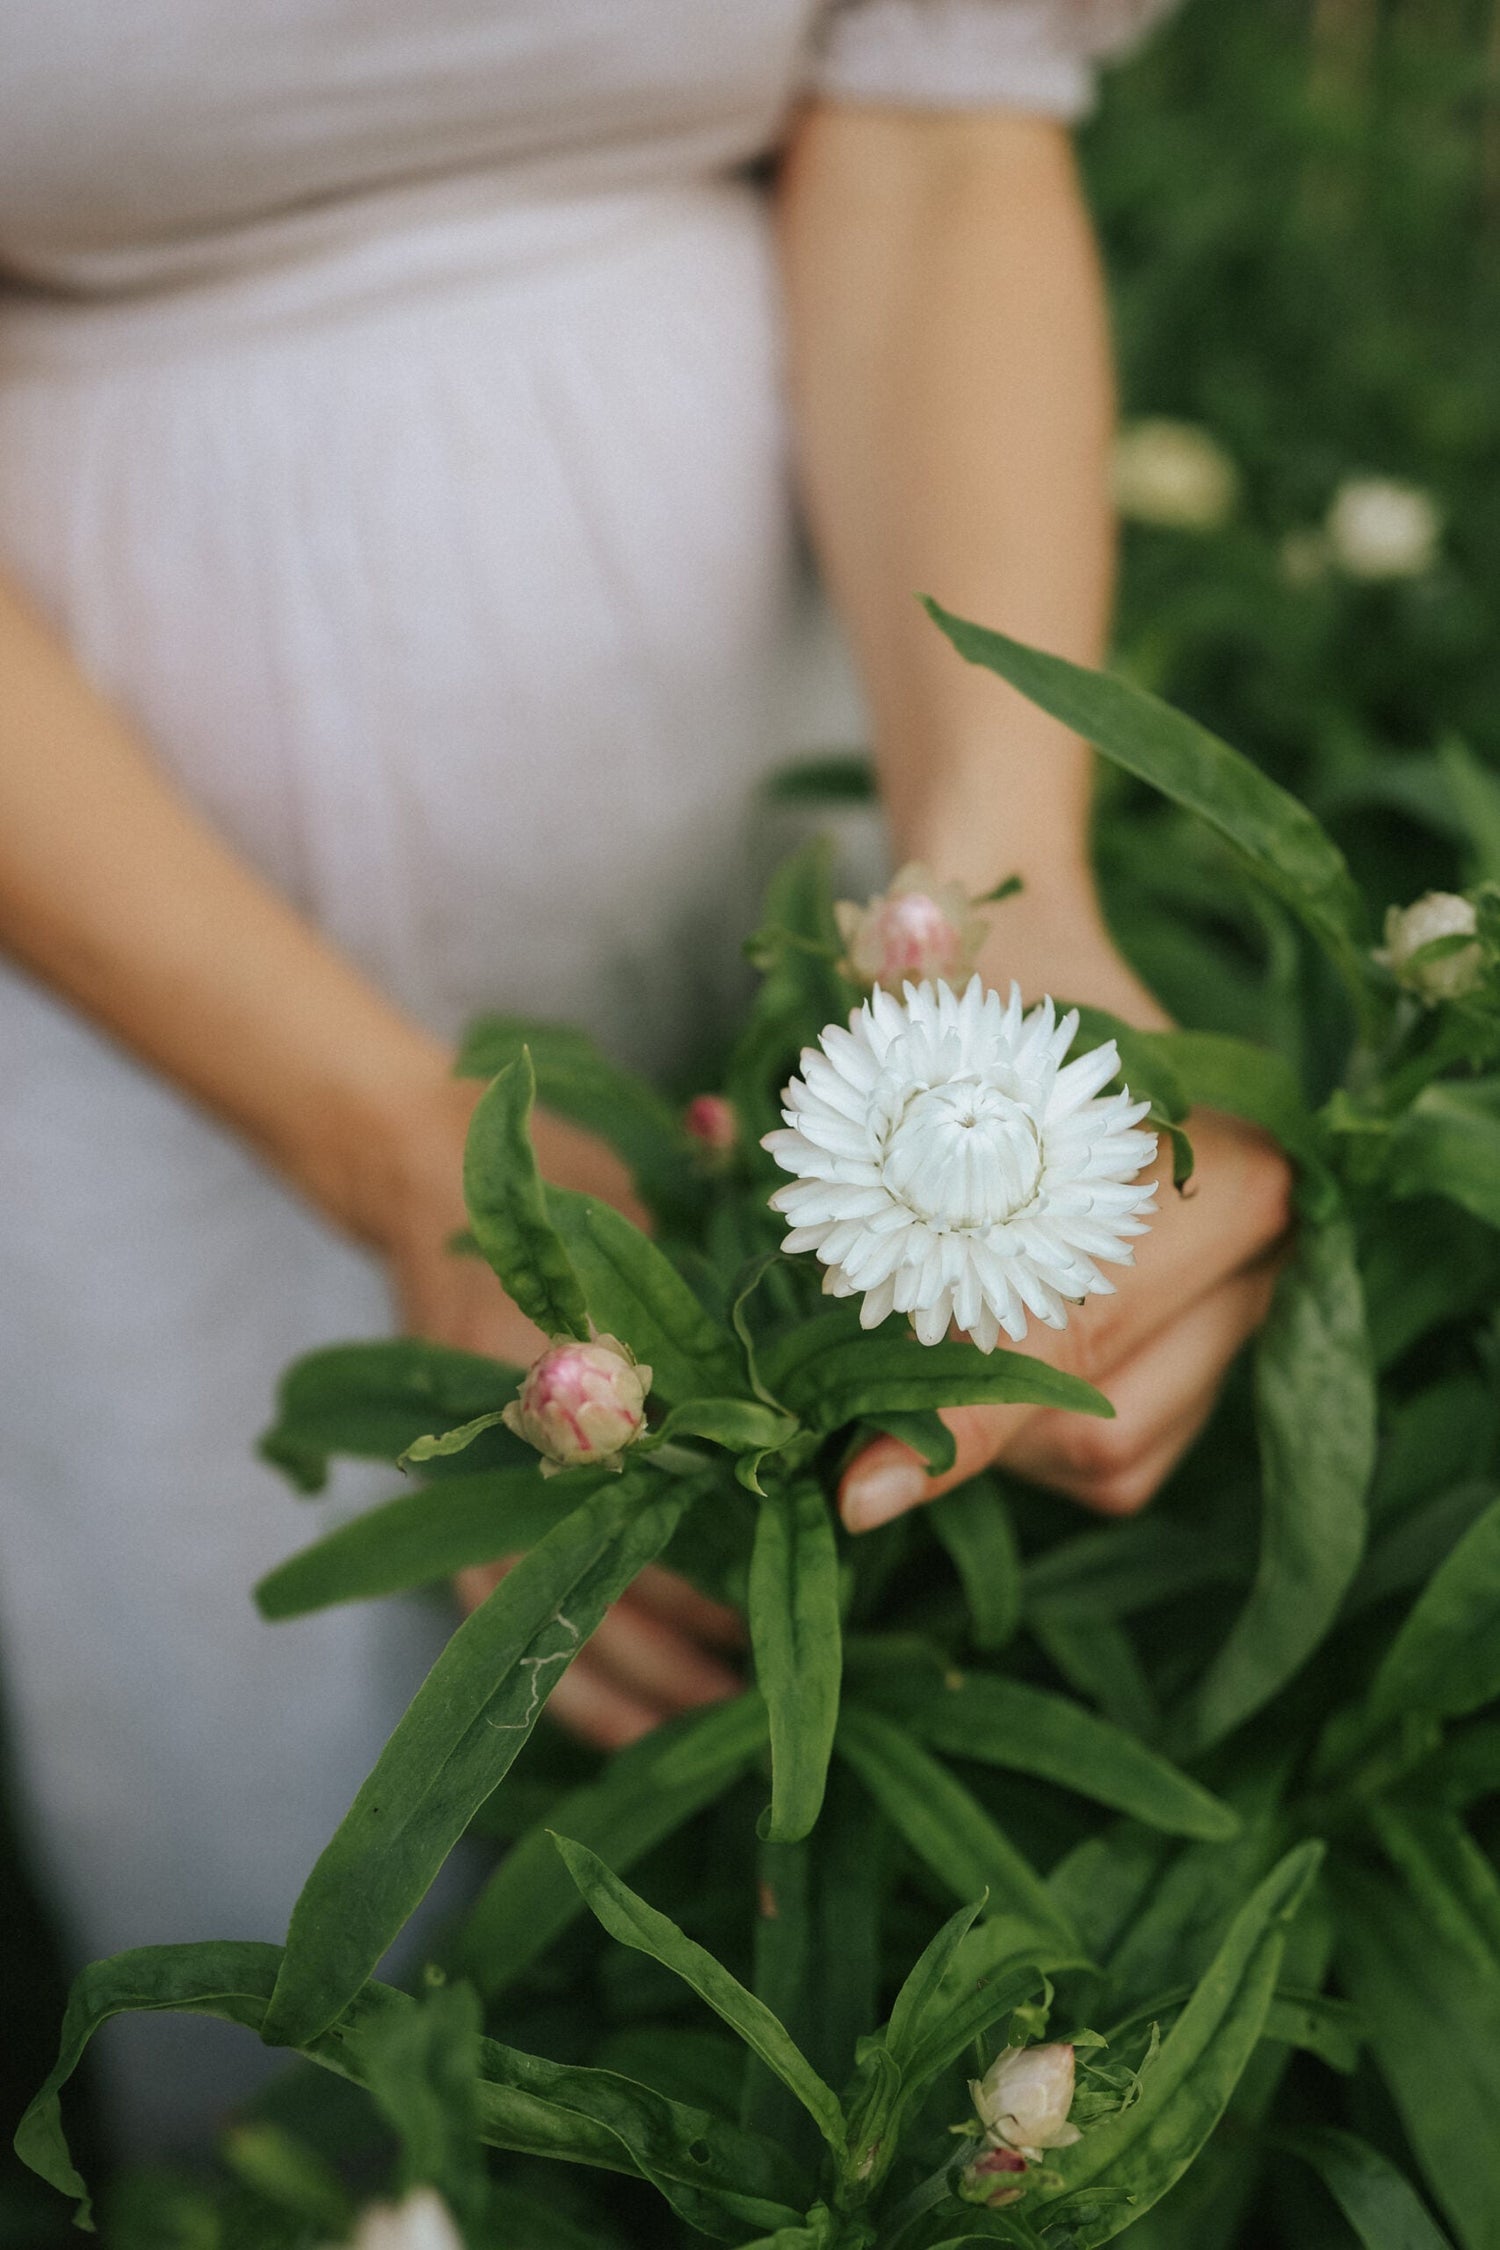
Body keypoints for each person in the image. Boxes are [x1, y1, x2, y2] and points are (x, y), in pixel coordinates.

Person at [0, 0, 1289, 2145]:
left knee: (913, 1816)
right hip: (127, 948)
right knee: (330, 1962)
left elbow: (944, 119)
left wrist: (1006, 888)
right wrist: (417, 1161)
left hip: (795, 819)